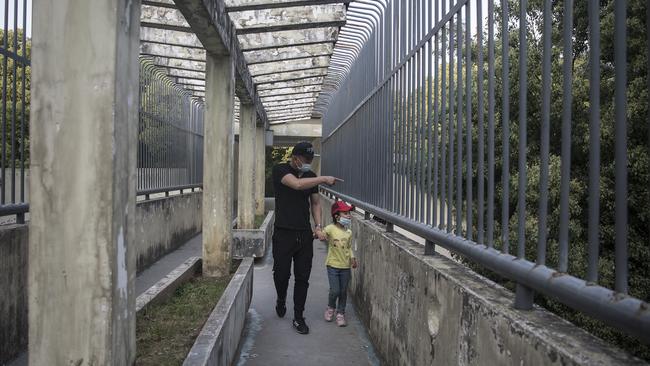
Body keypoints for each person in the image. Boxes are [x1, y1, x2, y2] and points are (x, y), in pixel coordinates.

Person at [271, 141, 338, 335]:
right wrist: (324, 178)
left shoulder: (310, 176)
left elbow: (315, 203)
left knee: (303, 278)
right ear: (295, 158)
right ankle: (281, 298)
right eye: (306, 159)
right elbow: (297, 185)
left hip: (304, 234)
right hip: (283, 233)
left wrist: (318, 226)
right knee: (281, 274)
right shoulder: (280, 170)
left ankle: (299, 317)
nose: (308, 162)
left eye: (311, 159)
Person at [321, 201, 357, 327]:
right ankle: (331, 307)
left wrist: (352, 258)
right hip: (332, 265)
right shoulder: (331, 228)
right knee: (335, 290)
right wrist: (319, 234)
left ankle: (340, 313)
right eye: (345, 213)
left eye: (349, 213)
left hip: (345, 267)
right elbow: (323, 233)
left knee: (343, 291)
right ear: (337, 216)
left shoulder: (349, 232)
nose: (348, 216)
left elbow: (349, 247)